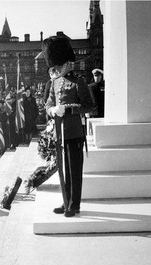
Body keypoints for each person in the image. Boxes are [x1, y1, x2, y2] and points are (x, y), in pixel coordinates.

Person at [43, 36, 94, 217]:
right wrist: (53, 111)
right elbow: (48, 104)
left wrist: (69, 109)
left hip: (74, 132)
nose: (60, 67)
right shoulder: (55, 82)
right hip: (60, 132)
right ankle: (66, 201)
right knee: (64, 169)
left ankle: (75, 205)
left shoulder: (78, 81)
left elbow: (89, 106)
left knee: (74, 170)